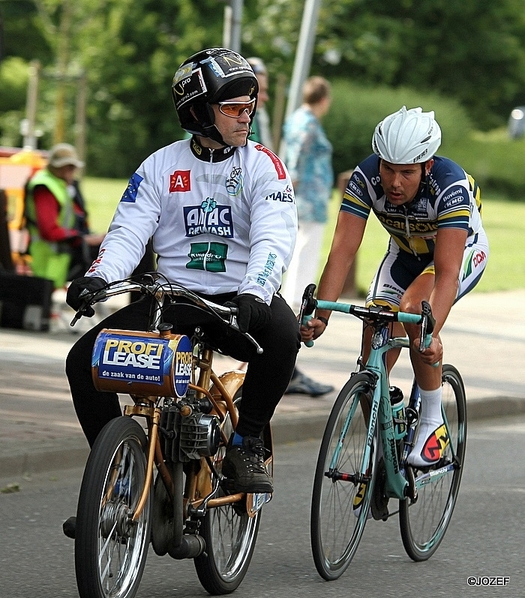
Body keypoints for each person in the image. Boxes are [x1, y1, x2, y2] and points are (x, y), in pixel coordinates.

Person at [63, 48, 300, 539]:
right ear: (197, 111)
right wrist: (98, 278)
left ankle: (247, 441)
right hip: (170, 301)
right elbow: (128, 232)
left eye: (249, 105)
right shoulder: (158, 167)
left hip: (238, 302)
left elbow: (274, 238)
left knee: (285, 336)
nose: (246, 115)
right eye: (232, 107)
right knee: (81, 363)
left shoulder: (264, 167)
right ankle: (120, 478)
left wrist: (257, 292)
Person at [301, 106, 488, 467]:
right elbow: (341, 251)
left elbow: (447, 273)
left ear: (427, 166)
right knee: (376, 329)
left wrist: (431, 332)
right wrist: (320, 315)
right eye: (388, 168)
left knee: (416, 309)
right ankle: (387, 419)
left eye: (407, 172)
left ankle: (433, 421)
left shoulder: (449, 185)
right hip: (404, 254)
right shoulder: (366, 176)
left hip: (457, 254)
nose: (395, 182)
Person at [281, 76, 335, 397]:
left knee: (303, 253)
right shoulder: (308, 122)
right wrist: (295, 181)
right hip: (308, 199)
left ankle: (295, 297)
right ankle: (296, 301)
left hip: (308, 197)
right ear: (323, 99)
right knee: (305, 255)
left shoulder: (297, 118)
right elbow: (298, 155)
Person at [24, 143, 104, 288]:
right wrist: (83, 239)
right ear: (56, 167)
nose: (70, 171)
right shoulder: (45, 187)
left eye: (72, 167)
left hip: (59, 253)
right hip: (49, 256)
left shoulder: (60, 184)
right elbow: (49, 231)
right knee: (42, 299)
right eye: (67, 167)